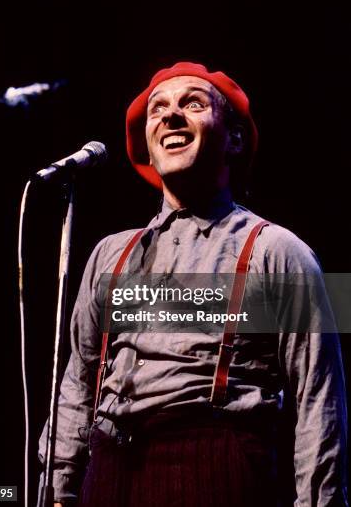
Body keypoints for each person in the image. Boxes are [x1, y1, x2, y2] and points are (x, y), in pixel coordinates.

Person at [38, 62, 348, 506]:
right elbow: (77, 384)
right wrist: (58, 488)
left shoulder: (278, 251)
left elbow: (319, 399)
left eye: (193, 104)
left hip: (213, 472)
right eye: (158, 108)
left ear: (234, 138)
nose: (171, 115)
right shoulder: (110, 254)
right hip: (108, 476)